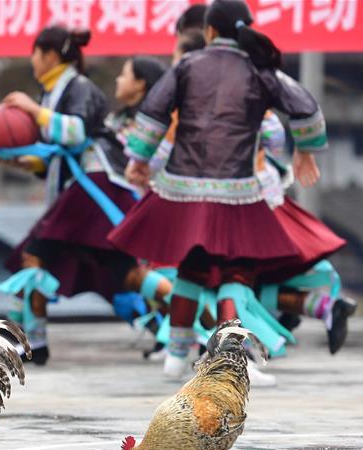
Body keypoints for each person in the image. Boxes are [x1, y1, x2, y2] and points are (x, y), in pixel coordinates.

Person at [108, 0, 330, 382]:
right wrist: (305, 151)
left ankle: (176, 357)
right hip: (236, 192)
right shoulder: (259, 70)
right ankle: (231, 360)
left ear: (209, 31)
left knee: (191, 269)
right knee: (236, 273)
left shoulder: (187, 66)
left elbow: (154, 110)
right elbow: (305, 106)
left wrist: (139, 159)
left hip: (183, 190)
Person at [0, 27, 170, 365]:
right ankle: (187, 317)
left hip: (93, 186)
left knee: (33, 255)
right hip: (85, 188)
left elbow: (76, 131)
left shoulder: (79, 87)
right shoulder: (54, 93)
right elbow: (20, 130)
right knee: (124, 273)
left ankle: (30, 342)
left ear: (51, 55)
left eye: (35, 53)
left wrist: (32, 109)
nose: (32, 60)